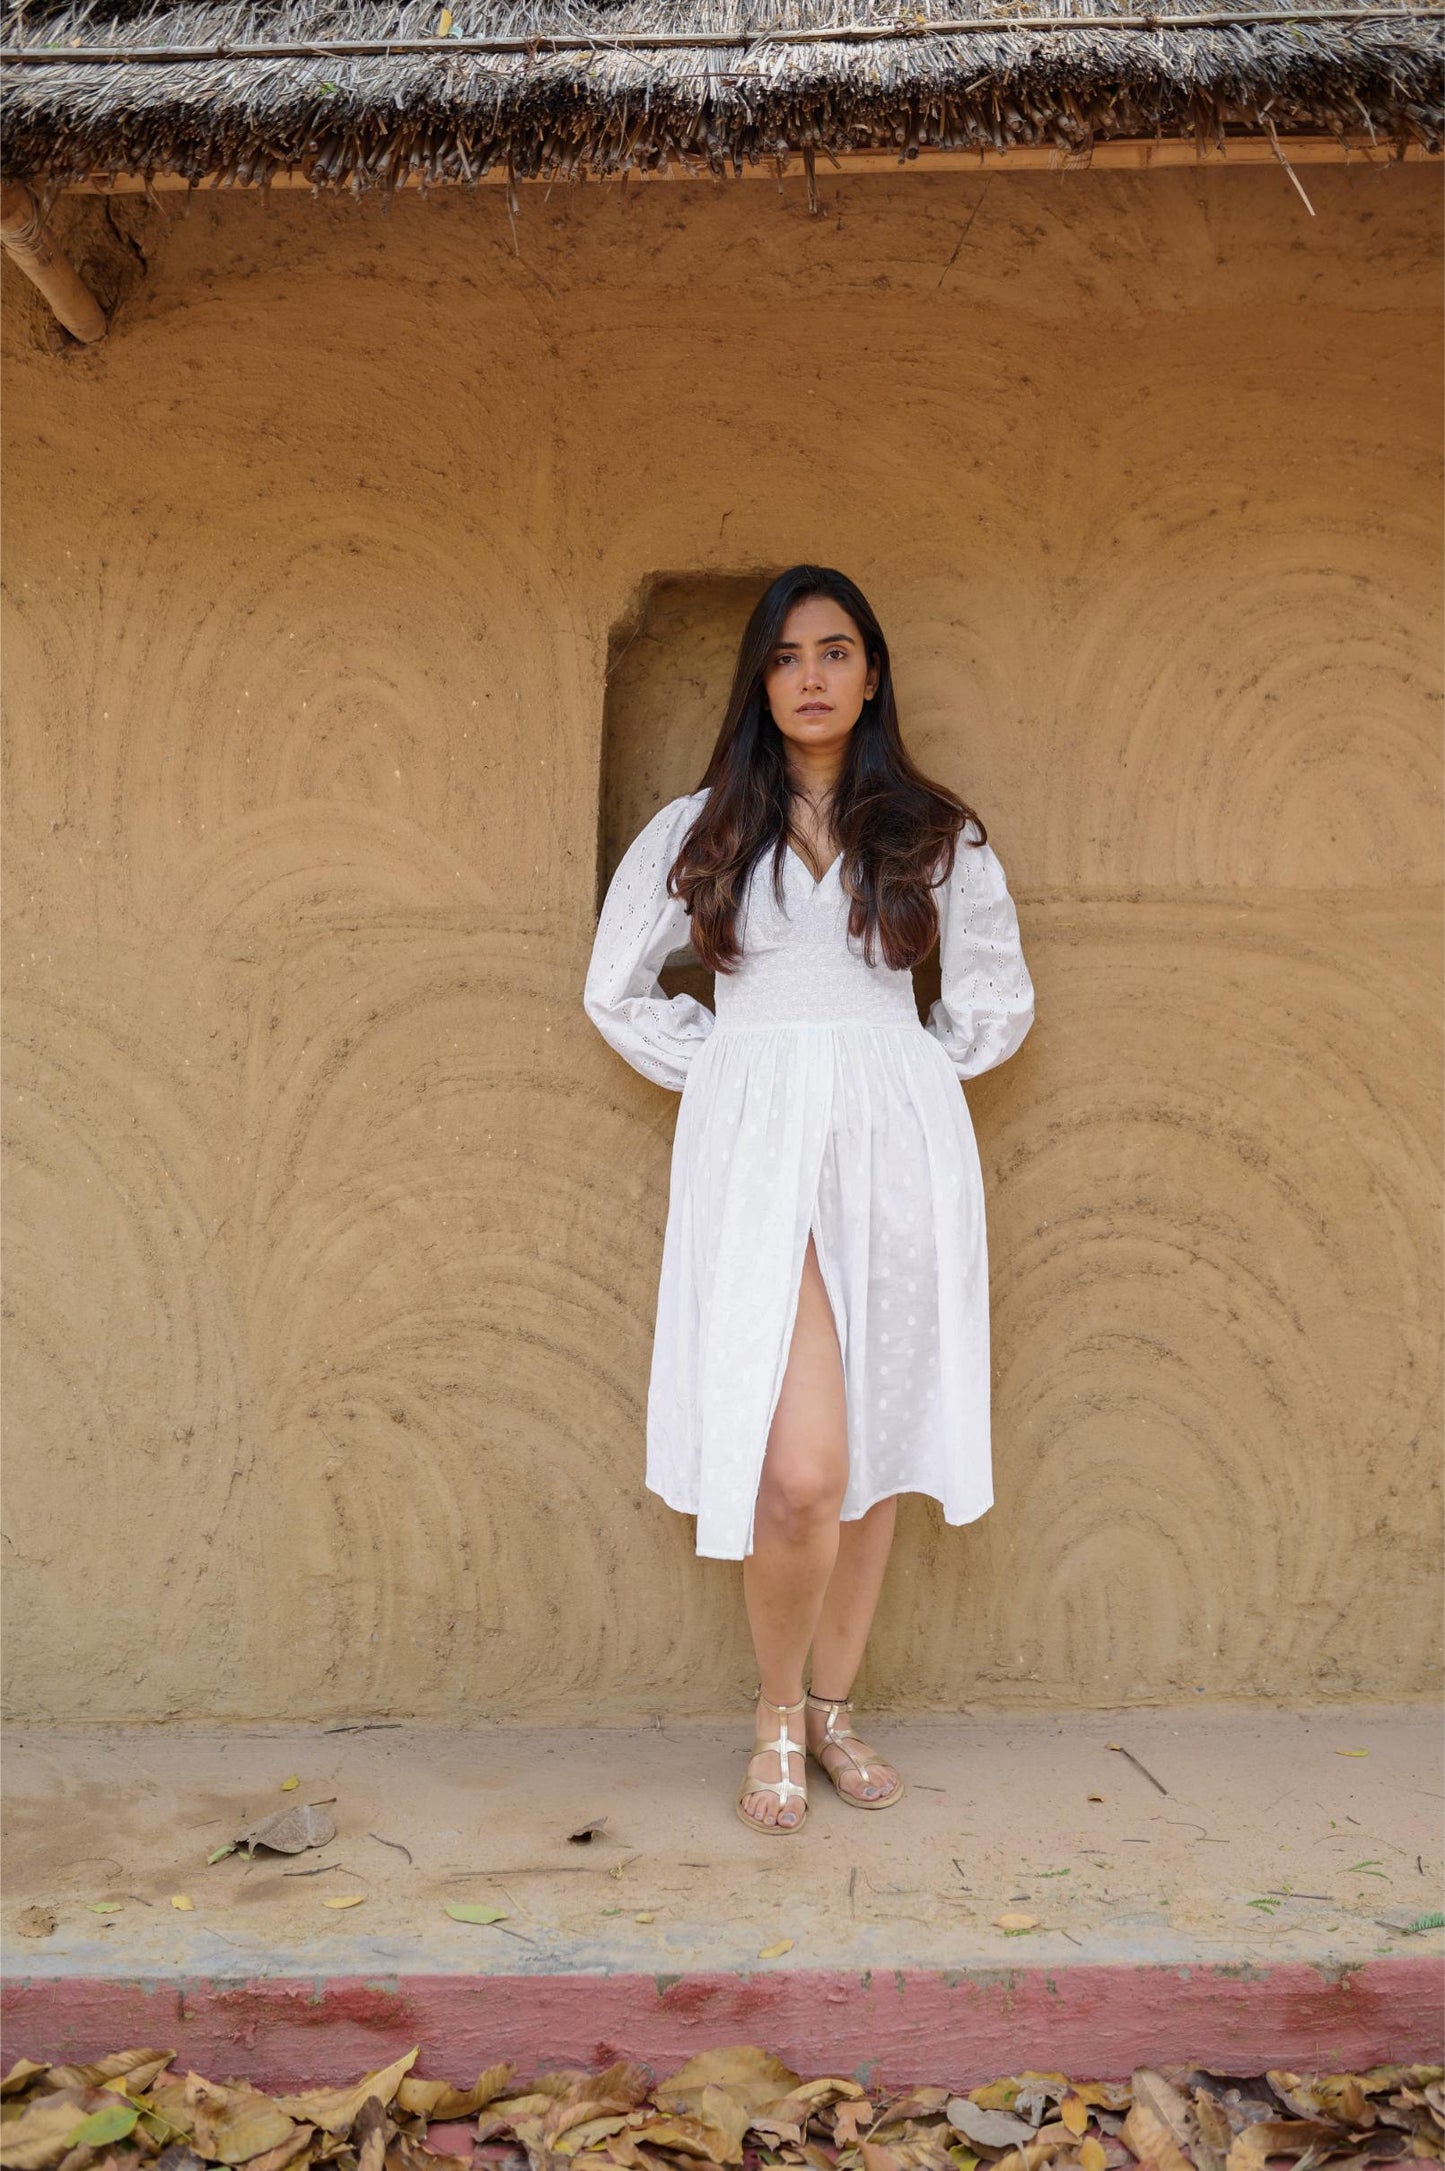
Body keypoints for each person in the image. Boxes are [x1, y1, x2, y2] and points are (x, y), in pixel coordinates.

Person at [583, 564, 1035, 1835]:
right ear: (759, 681)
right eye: (787, 658)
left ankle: (835, 1709)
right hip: (755, 1151)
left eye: (836, 651)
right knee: (798, 1470)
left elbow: (992, 1000)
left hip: (897, 1150)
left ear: (872, 671)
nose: (813, 677)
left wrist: (897, 1083)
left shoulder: (934, 831)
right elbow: (614, 989)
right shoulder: (701, 828)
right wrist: (729, 1071)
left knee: (875, 1445)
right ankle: (776, 1709)